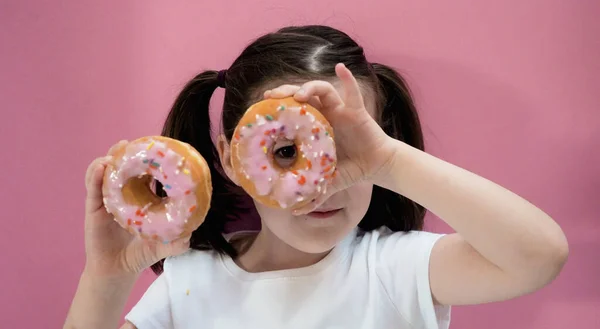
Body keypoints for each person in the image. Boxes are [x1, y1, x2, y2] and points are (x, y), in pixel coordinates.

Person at [63, 25, 568, 329]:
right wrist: (106, 277)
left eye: (345, 150)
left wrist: (388, 161)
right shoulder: (191, 280)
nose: (320, 182)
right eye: (286, 153)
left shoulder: (393, 270)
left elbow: (538, 255)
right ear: (232, 158)